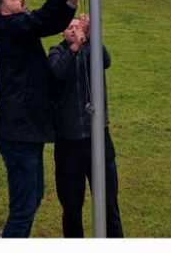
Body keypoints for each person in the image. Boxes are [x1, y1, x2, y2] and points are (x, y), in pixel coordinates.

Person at [0, 0, 84, 237]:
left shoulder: (18, 28)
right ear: (4, 10)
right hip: (18, 134)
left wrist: (71, 2)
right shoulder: (9, 28)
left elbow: (50, 23)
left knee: (32, 199)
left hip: (27, 133)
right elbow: (41, 20)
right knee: (23, 208)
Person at [47, 14, 124, 237]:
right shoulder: (57, 52)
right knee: (71, 209)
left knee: (109, 205)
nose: (74, 29)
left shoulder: (92, 49)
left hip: (98, 138)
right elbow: (57, 74)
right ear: (62, 33)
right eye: (69, 26)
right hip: (68, 144)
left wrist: (90, 38)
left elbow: (106, 60)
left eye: (77, 26)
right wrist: (74, 48)